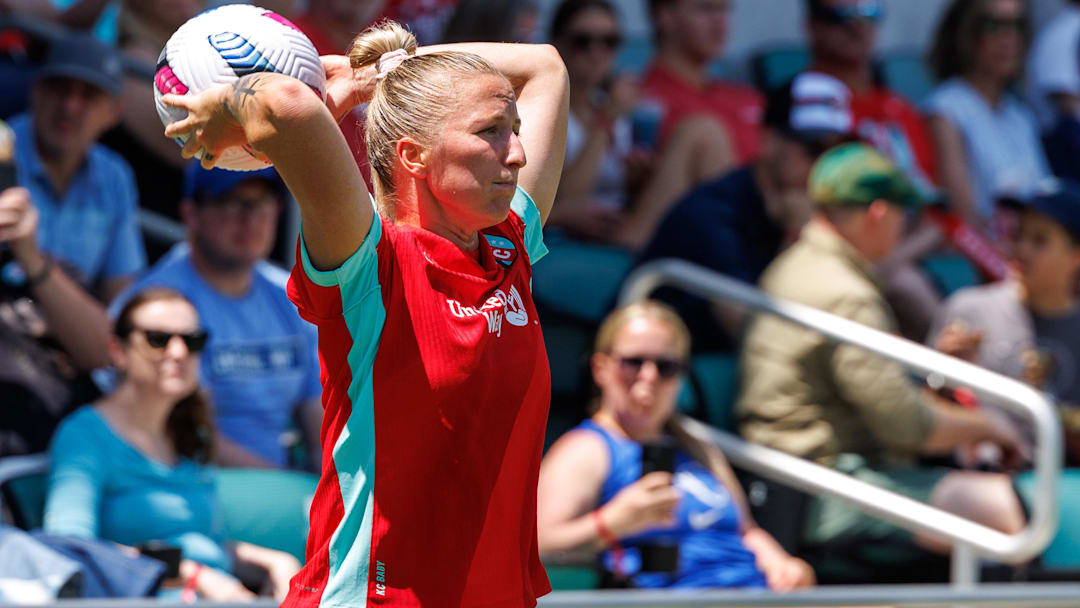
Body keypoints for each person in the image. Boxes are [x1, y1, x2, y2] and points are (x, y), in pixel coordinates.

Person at [161, 19, 568, 607]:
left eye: (516, 129)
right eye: (491, 132)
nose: (518, 152)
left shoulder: (509, 247)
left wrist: (383, 70)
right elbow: (288, 103)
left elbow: (546, 66)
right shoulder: (372, 266)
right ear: (413, 155)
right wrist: (233, 100)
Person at [737, 143, 1028, 556]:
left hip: (792, 475)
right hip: (816, 485)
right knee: (1001, 508)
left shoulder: (793, 264)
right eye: (903, 214)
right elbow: (905, 426)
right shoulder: (847, 293)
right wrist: (988, 425)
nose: (904, 227)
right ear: (878, 213)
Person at [43, 288, 302, 602]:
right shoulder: (85, 435)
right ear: (118, 350)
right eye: (158, 339)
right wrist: (189, 574)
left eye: (193, 340)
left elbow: (207, 545)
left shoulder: (193, 435)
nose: (179, 352)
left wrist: (274, 561)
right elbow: (70, 546)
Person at [537, 300, 815, 590]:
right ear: (600, 368)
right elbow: (541, 544)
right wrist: (614, 521)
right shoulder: (587, 449)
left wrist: (781, 563)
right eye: (633, 362)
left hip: (754, 591)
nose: (649, 376)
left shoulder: (695, 445)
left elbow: (746, 531)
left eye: (666, 366)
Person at [109, 163, 322, 471]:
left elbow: (321, 421)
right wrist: (284, 487)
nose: (250, 219)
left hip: (281, 492)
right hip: (186, 484)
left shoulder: (291, 296)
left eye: (262, 203)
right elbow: (184, 430)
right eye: (232, 202)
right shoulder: (159, 305)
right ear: (190, 214)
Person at [637, 71, 853, 351]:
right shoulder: (712, 215)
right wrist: (795, 240)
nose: (827, 167)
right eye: (815, 149)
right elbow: (755, 336)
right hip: (650, 375)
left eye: (839, 153)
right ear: (768, 141)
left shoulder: (808, 208)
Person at [928, 179, 1080, 465]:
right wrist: (942, 375)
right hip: (980, 483)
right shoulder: (969, 308)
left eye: (1039, 240)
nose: (1021, 249)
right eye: (1017, 234)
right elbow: (925, 414)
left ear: (1075, 256)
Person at [10, 32, 144, 300]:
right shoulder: (4, 147)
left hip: (67, 334)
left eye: (89, 96)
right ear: (35, 90)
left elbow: (121, 297)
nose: (70, 106)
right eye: (60, 87)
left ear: (114, 113)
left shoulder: (115, 176)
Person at [925, 0, 1050, 241]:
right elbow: (963, 218)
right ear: (964, 32)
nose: (1009, 38)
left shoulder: (1021, 116)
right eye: (994, 25)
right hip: (993, 260)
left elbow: (1044, 196)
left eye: (1017, 26)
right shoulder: (945, 109)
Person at [640, 0, 762, 165]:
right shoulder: (642, 103)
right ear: (664, 15)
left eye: (725, 9)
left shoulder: (748, 97)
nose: (720, 21)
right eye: (706, 8)